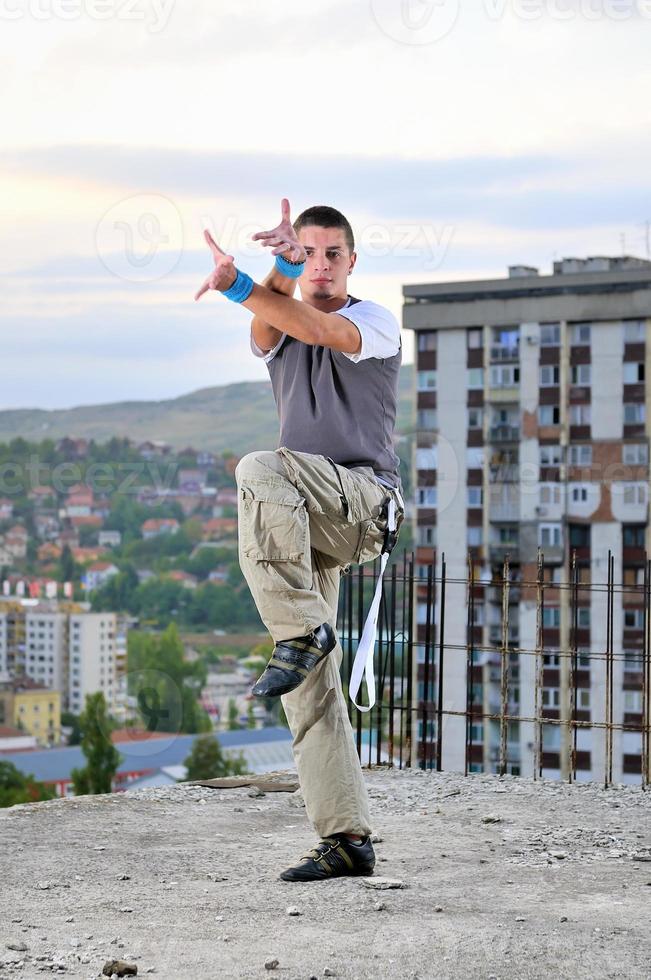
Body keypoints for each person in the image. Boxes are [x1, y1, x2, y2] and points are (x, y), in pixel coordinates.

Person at [195, 199, 404, 882]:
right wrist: (273, 269)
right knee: (308, 689)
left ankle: (299, 633)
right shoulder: (276, 328)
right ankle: (346, 837)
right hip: (302, 517)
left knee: (257, 467)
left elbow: (312, 327)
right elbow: (274, 320)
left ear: (351, 261)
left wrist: (236, 281)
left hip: (363, 504)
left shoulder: (373, 323)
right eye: (307, 253)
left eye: (330, 254)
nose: (320, 264)